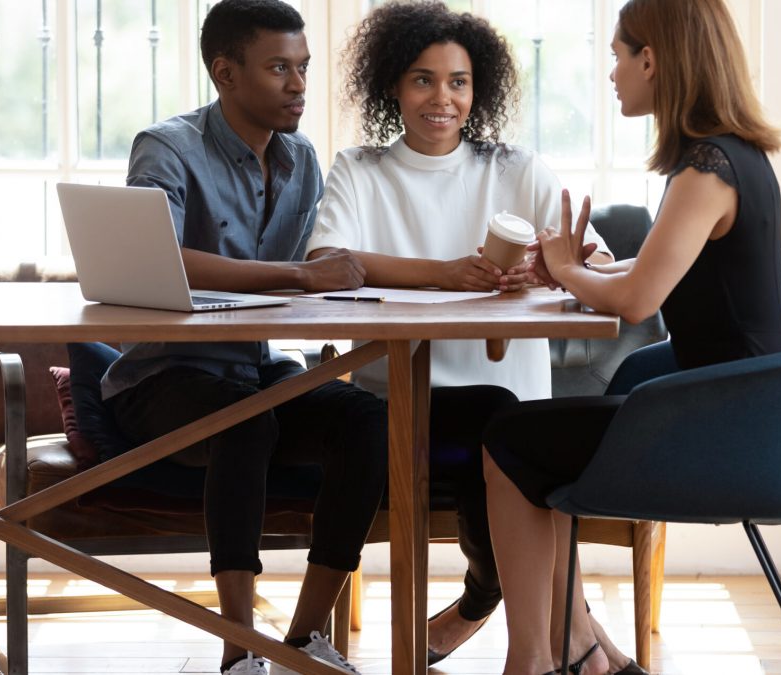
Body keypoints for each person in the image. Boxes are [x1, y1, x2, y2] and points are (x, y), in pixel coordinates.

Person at [481, 0, 781, 673]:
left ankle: (533, 659)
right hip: (752, 415)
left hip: (731, 429)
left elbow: (636, 300)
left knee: (508, 440)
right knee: (541, 444)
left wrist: (572, 269)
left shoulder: (706, 168)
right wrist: (582, 270)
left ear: (651, 59)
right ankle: (580, 651)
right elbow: (652, 269)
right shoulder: (733, 156)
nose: (612, 73)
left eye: (617, 56)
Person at [306, 0, 612, 664]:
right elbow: (326, 264)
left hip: (513, 406)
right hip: (399, 405)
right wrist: (442, 274)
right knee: (506, 440)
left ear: (480, 89)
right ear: (392, 84)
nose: (441, 97)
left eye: (458, 81)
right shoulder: (360, 170)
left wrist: (550, 267)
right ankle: (575, 642)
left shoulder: (515, 169)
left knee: (512, 435)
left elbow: (601, 261)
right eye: (422, 79)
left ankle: (559, 638)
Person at [103, 2, 379, 674]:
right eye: (279, 67)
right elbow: (158, 254)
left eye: (303, 67)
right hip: (163, 379)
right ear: (225, 73)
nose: (298, 84)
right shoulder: (168, 147)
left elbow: (322, 267)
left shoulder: (302, 160)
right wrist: (297, 275)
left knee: (369, 420)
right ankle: (239, 650)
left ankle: (304, 637)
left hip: (256, 367)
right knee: (246, 422)